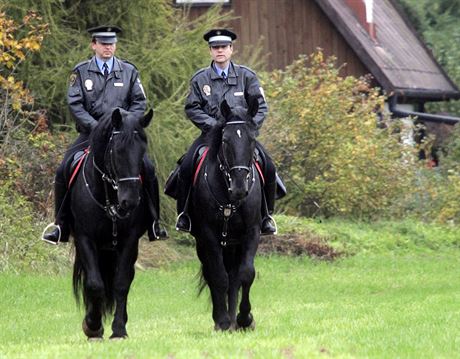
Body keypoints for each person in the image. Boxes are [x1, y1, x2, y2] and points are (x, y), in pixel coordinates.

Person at [42, 25, 167, 244]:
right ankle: (60, 225)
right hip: (90, 134)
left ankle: (154, 223)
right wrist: (96, 127)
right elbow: (75, 104)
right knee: (64, 168)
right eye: (103, 43)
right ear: (94, 45)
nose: (107, 47)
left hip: (123, 135)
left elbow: (139, 102)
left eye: (111, 43)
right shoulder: (80, 72)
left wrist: (127, 123)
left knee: (147, 167)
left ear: (115, 45)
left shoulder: (129, 71)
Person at [175, 28, 282, 235]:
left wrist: (250, 128)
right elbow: (192, 108)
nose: (220, 51)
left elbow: (260, 107)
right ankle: (184, 215)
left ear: (231, 49)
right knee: (186, 166)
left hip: (242, 139)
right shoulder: (200, 79)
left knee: (268, 166)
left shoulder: (247, 76)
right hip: (210, 138)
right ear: (210, 51)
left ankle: (267, 216)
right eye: (215, 47)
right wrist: (212, 126)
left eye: (224, 47)